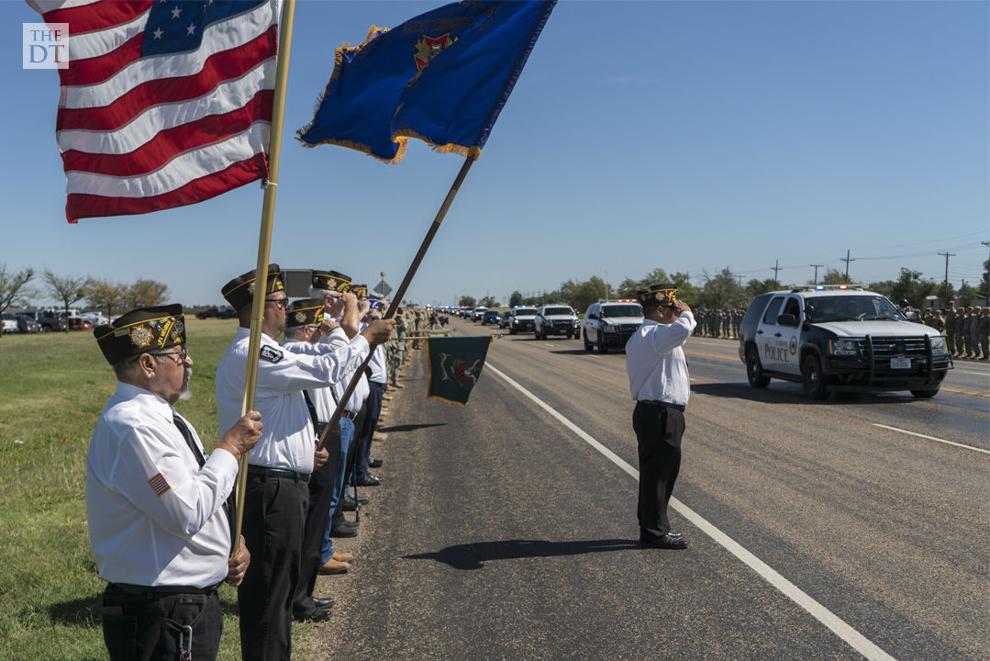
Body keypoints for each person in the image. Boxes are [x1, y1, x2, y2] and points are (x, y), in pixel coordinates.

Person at [215, 265, 393, 661]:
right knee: (267, 603)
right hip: (269, 489)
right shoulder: (253, 352)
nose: (284, 309)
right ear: (262, 308)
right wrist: (357, 332)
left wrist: (302, 450)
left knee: (278, 599)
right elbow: (326, 368)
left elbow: (284, 410)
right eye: (279, 302)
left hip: (281, 484)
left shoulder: (264, 351)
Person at [87, 305, 262, 661]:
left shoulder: (163, 418)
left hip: (178, 608)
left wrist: (230, 544)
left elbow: (192, 492)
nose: (190, 362)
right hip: (161, 614)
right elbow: (186, 512)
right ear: (149, 365)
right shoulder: (134, 427)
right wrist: (229, 447)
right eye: (179, 355)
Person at [625, 286, 696, 550]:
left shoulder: (650, 337)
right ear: (660, 311)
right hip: (660, 414)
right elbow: (683, 329)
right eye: (672, 310)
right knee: (659, 474)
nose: (676, 315)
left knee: (659, 473)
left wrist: (680, 315)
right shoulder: (653, 335)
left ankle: (655, 525)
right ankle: (654, 532)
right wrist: (687, 313)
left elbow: (680, 335)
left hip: (659, 413)